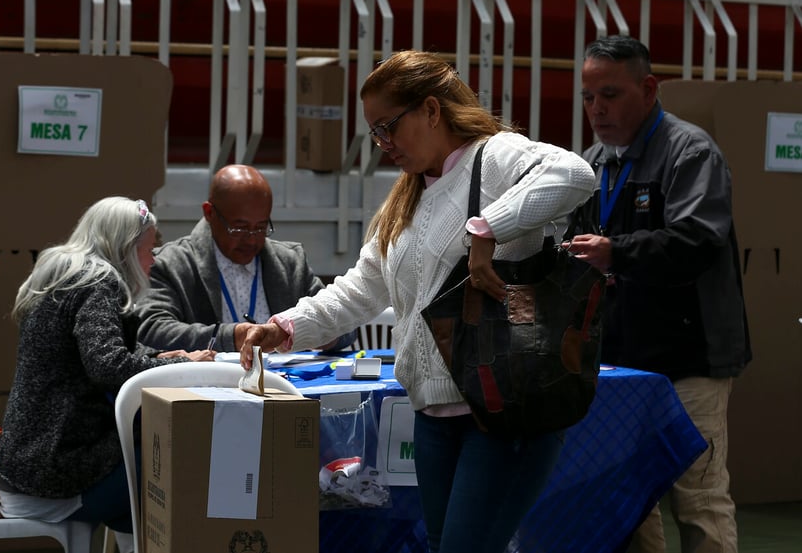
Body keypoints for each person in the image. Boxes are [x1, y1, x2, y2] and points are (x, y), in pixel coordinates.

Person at [233, 50, 596, 553]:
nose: (382, 144)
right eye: (374, 133)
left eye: (388, 127)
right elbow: (360, 289)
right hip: (432, 418)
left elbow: (575, 174)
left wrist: (487, 228)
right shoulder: (405, 198)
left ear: (431, 110)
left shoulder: (496, 156)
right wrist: (286, 328)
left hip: (503, 410)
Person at [564, 35, 752, 553]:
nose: (597, 109)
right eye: (588, 97)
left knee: (699, 499)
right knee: (626, 500)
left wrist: (614, 253)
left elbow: (697, 240)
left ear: (648, 89)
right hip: (621, 364)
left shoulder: (690, 152)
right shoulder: (593, 163)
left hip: (689, 362)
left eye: (610, 94)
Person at [0, 197, 214, 536]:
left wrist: (157, 360)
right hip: (53, 477)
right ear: (124, 247)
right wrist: (183, 365)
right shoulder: (97, 283)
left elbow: (98, 352)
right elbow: (107, 365)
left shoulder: (67, 274)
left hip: (27, 468)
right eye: (149, 249)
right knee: (175, 463)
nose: (153, 259)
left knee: (146, 484)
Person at [135, 164, 356, 353]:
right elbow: (151, 329)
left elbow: (346, 326)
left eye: (260, 228)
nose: (251, 240)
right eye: (239, 229)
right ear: (209, 213)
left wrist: (320, 333)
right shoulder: (171, 264)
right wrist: (230, 337)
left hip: (286, 387)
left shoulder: (289, 263)